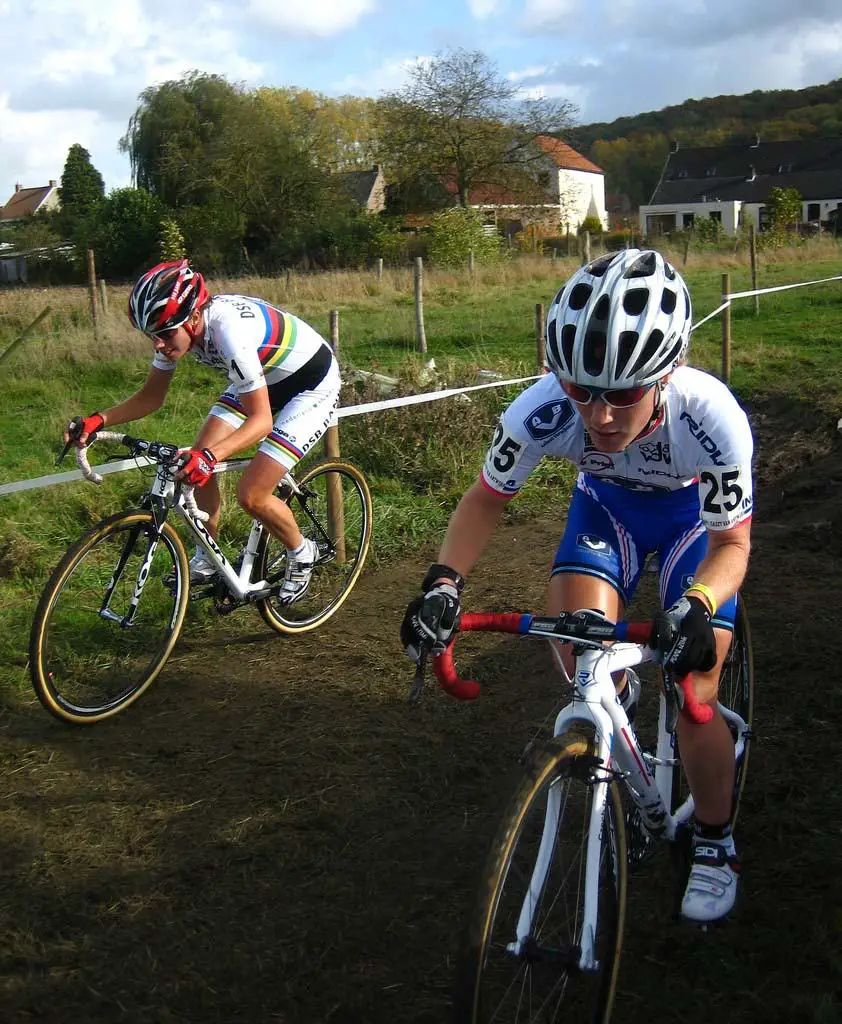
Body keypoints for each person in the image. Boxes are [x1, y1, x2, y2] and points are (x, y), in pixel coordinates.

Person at [401, 248, 753, 923]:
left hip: (691, 525)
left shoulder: (711, 418)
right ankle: (613, 723)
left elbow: (733, 543)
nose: (599, 415)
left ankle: (715, 840)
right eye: (579, 389)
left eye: (623, 393)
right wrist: (444, 584)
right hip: (608, 512)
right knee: (580, 660)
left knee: (695, 697)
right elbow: (484, 501)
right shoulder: (538, 412)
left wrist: (698, 606)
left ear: (667, 371)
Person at [64, 259, 340, 602]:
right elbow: (151, 397)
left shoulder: (228, 333)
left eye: (164, 334)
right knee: (195, 467)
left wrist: (210, 456)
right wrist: (98, 419)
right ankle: (208, 558)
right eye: (153, 335)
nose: (158, 344)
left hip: (309, 385)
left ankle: (303, 552)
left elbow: (261, 421)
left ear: (194, 317)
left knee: (252, 494)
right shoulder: (179, 331)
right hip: (261, 377)